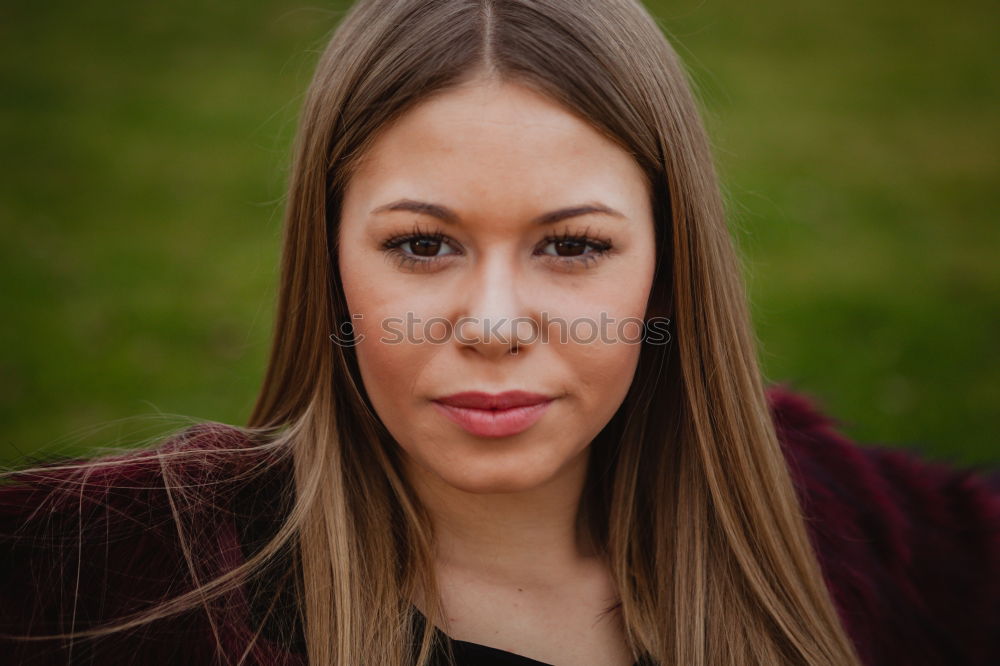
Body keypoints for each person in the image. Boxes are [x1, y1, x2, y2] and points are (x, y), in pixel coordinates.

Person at [1, 1, 997, 665]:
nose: (491, 324)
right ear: (329, 256)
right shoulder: (109, 580)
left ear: (668, 265)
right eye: (424, 244)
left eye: (569, 246)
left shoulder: (850, 540)